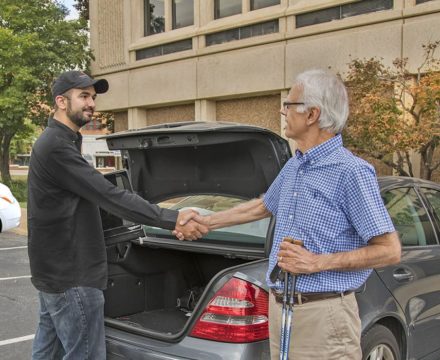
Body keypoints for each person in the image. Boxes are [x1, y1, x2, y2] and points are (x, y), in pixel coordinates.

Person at [176, 69, 401, 359]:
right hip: (282, 308)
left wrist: (317, 262)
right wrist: (205, 221)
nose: (283, 112)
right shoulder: (296, 165)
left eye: (289, 104)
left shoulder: (350, 172)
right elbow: (262, 206)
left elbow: (390, 250)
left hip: (324, 315)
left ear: (312, 115)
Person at [27, 70, 207, 360]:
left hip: (56, 275)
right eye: (83, 96)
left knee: (46, 354)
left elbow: (87, 200)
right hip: (73, 277)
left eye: (93, 97)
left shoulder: (62, 142)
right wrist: (172, 218)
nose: (91, 103)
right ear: (61, 101)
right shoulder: (57, 147)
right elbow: (108, 195)